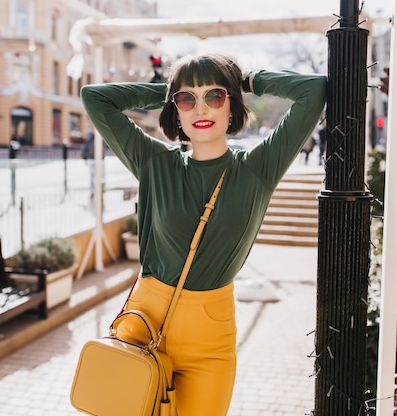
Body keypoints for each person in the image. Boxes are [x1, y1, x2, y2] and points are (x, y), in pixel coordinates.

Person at [80, 53, 326, 416]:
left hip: (210, 340)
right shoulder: (154, 163)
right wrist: (172, 89)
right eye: (186, 100)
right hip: (145, 321)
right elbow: (95, 97)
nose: (201, 108)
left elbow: (314, 90)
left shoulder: (257, 170)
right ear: (176, 111)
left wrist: (246, 81)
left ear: (232, 107)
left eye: (215, 96)